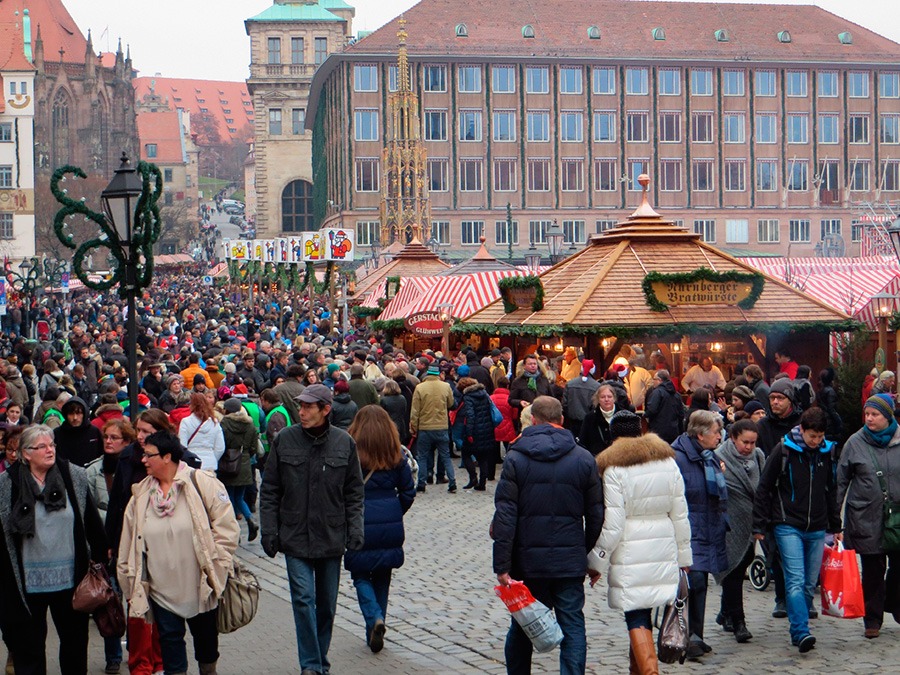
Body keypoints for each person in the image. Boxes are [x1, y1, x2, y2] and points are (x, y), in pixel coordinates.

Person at [492, 396, 603, 675]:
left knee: (522, 626)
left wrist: (502, 566)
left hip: (528, 562)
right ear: (562, 420)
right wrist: (584, 551)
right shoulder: (584, 458)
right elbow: (597, 514)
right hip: (568, 561)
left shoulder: (516, 457)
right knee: (573, 625)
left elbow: (505, 516)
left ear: (534, 420)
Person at [259, 384, 365, 675]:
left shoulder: (344, 443)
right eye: (300, 406)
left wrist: (356, 529)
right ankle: (311, 664)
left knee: (327, 605)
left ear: (325, 409)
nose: (302, 412)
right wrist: (269, 531)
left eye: (308, 407)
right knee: (304, 599)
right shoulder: (285, 440)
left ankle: (320, 659)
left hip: (331, 535)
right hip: (294, 535)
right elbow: (269, 490)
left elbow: (354, 493)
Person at [117, 430, 240, 675]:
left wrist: (219, 566)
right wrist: (129, 581)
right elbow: (128, 542)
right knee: (171, 644)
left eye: (149, 455)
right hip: (161, 587)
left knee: (206, 643)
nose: (143, 460)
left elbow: (227, 528)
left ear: (167, 457)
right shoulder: (141, 495)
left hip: (199, 585)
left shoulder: (200, 482)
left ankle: (208, 670)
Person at [0, 424, 108, 675]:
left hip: (71, 582)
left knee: (74, 649)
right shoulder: (6, 484)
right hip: (26, 585)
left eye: (52, 445)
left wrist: (101, 562)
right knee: (29, 652)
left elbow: (90, 523)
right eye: (42, 447)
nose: (50, 450)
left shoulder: (74, 476)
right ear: (25, 453)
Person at [588, 424, 691, 674]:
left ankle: (649, 672)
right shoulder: (668, 463)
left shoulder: (614, 469)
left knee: (636, 613)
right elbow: (680, 513)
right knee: (648, 607)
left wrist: (596, 561)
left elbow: (613, 523)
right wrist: (684, 556)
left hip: (630, 548)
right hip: (663, 543)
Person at [752, 407, 840, 653]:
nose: (816, 441)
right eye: (812, 436)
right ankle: (801, 631)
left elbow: (830, 490)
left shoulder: (827, 452)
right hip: (787, 524)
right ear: (802, 430)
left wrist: (836, 525)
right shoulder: (784, 450)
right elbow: (764, 488)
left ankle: (800, 622)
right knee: (795, 579)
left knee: (809, 583)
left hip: (817, 526)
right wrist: (759, 524)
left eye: (820, 436)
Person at [344, 406, 415, 653]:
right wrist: (396, 511)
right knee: (383, 575)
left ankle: (374, 618)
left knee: (360, 573)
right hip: (389, 522)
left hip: (359, 519)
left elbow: (341, 489)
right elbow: (408, 491)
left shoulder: (350, 451)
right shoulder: (395, 454)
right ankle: (377, 623)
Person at [837, 394, 900, 639]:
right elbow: (841, 480)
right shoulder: (855, 442)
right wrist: (834, 519)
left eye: (875, 414)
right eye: (867, 414)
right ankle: (872, 619)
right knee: (873, 569)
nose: (869, 418)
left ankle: (894, 601)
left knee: (898, 566)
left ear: (888, 417)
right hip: (865, 516)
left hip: (897, 516)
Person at [672, 410, 728, 658]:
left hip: (708, 526)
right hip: (688, 529)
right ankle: (682, 636)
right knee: (690, 584)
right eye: (716, 432)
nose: (720, 437)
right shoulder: (678, 458)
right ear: (700, 434)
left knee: (701, 584)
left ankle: (697, 635)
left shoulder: (710, 457)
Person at [85, 418, 135, 674]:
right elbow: (88, 509)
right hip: (104, 545)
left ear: (127, 441)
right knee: (109, 603)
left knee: (134, 602)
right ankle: (113, 656)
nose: (109, 442)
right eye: (106, 437)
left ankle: (136, 652)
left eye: (115, 438)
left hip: (130, 542)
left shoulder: (135, 467)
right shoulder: (93, 471)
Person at [714, 419, 765, 643]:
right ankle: (739, 622)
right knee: (733, 571)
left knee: (743, 562)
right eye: (745, 442)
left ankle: (725, 612)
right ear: (733, 438)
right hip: (728, 524)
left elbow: (763, 488)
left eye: (753, 443)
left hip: (750, 522)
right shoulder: (718, 458)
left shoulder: (759, 457)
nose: (749, 447)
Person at [409, 364, 457, 494]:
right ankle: (452, 482)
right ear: (438, 375)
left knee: (423, 456)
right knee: (445, 456)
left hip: (425, 427)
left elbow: (415, 411)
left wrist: (413, 427)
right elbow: (451, 404)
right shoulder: (446, 386)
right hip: (442, 426)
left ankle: (421, 483)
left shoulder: (419, 388)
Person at [219, 396, 260, 541]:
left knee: (229, 497)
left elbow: (221, 444)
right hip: (245, 462)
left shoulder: (225, 423)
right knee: (239, 497)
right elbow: (254, 446)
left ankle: (234, 528)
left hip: (229, 463)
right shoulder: (249, 424)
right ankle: (250, 519)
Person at [454, 377, 496, 491]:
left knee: (466, 453)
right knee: (483, 457)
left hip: (475, 430)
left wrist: (469, 433)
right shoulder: (484, 394)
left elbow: (470, 415)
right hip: (487, 429)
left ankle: (473, 478)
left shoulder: (468, 397)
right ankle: (482, 483)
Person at [178, 393, 226, 471]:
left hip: (191, 464)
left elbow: (182, 446)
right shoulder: (215, 423)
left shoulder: (185, 422)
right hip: (210, 464)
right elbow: (220, 447)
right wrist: (212, 458)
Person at [53, 396, 104, 467]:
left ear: (84, 414)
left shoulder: (94, 432)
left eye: (78, 413)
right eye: (71, 414)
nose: (75, 418)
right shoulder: (58, 433)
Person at [508, 355, 553, 429]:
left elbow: (551, 397)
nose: (533, 366)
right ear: (524, 366)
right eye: (530, 364)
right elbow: (510, 400)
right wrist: (520, 402)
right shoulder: (518, 381)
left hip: (543, 417)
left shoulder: (544, 380)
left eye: (534, 364)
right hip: (526, 418)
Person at [579, 383, 624, 456]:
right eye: (603, 397)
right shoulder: (590, 418)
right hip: (597, 460)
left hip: (619, 460)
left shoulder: (624, 416)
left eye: (609, 397)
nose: (606, 399)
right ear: (598, 400)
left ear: (614, 398)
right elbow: (583, 442)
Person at [644, 369, 684, 443]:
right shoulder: (676, 394)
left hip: (658, 431)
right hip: (673, 432)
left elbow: (651, 410)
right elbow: (681, 414)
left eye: (654, 379)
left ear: (659, 380)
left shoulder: (657, 392)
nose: (653, 382)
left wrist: (645, 415)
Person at [562, 359, 599, 436]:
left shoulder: (570, 384)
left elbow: (565, 404)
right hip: (590, 423)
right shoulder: (597, 386)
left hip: (572, 422)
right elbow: (596, 406)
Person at [379, 378, 410, 446]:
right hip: (401, 424)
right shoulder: (402, 398)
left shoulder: (384, 400)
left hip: (388, 425)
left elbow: (381, 414)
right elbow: (404, 410)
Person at [818, 368, 843, 443]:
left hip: (823, 418)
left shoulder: (820, 390)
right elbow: (831, 409)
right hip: (830, 421)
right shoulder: (830, 391)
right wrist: (839, 422)